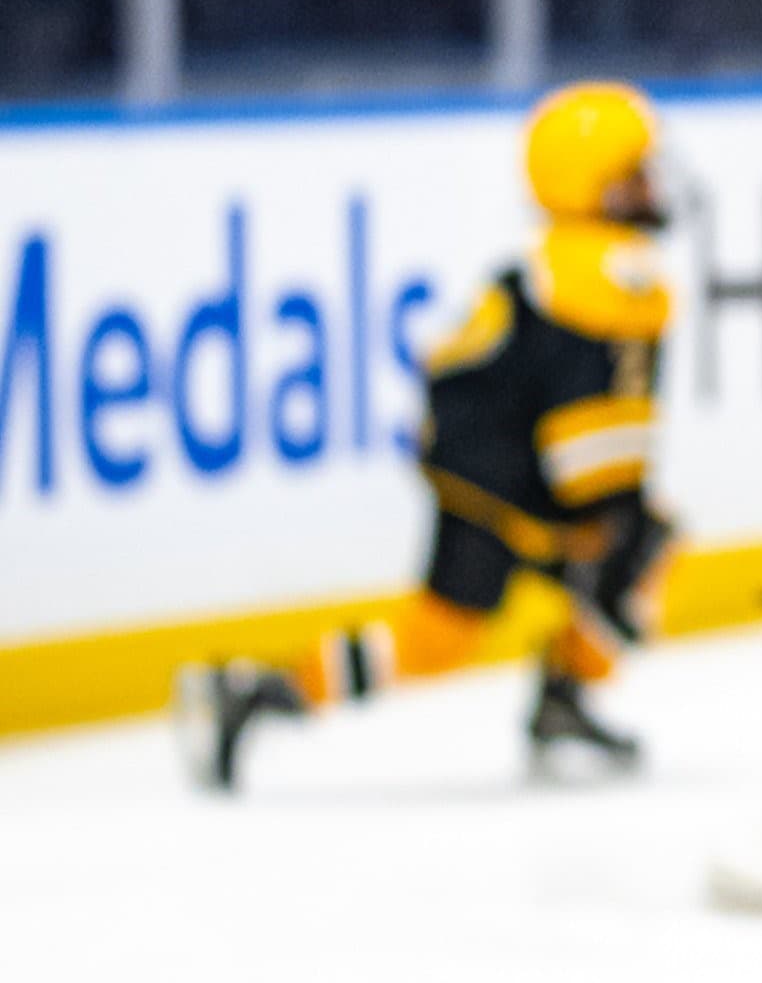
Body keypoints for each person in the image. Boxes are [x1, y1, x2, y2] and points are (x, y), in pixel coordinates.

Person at [176, 80, 677, 790]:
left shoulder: (568, 266)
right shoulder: (599, 278)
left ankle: (262, 692)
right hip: (500, 486)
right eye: (636, 172)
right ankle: (259, 692)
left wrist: (610, 517)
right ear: (593, 182)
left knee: (452, 632)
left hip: (496, 478)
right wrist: (607, 520)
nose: (651, 185)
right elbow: (587, 441)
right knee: (615, 560)